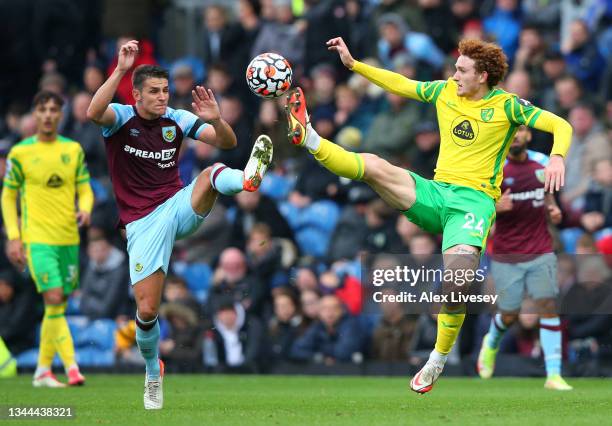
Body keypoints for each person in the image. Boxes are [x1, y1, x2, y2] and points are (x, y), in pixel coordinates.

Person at [286, 36, 572, 393]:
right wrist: (354, 65)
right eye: (455, 68)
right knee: (374, 165)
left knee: (457, 284)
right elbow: (402, 84)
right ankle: (309, 136)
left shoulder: (508, 106)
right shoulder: (444, 91)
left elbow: (562, 125)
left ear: (483, 75)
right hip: (436, 193)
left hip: (474, 204)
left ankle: (437, 359)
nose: (454, 75)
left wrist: (557, 155)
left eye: (462, 70)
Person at [86, 40, 273, 409]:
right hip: (141, 225)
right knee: (148, 311)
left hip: (176, 206)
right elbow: (94, 112)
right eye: (154, 92)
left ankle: (248, 180)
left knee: (211, 172)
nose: (161, 97)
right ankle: (153, 372)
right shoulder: (121, 118)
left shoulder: (178, 119)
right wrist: (121, 70)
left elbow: (227, 142)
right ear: (136, 95)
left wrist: (217, 119)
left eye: (165, 90)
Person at [1, 91, 94, 387]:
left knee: (58, 306)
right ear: (35, 114)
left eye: (55, 110)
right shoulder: (20, 153)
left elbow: (86, 188)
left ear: (61, 114)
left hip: (68, 239)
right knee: (53, 297)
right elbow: (8, 196)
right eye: (43, 109)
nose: (49, 115)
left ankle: (42, 370)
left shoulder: (73, 150)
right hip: (37, 239)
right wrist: (15, 237)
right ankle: (72, 367)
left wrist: (86, 209)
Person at [476, 125, 572, 390]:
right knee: (509, 314)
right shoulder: (493, 169)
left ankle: (553, 375)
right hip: (507, 252)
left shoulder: (542, 163)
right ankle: (491, 342)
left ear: (528, 136)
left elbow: (548, 196)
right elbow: (476, 207)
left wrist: (553, 210)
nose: (515, 136)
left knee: (547, 306)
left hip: (540, 247)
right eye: (510, 132)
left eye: (519, 131)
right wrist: (495, 207)